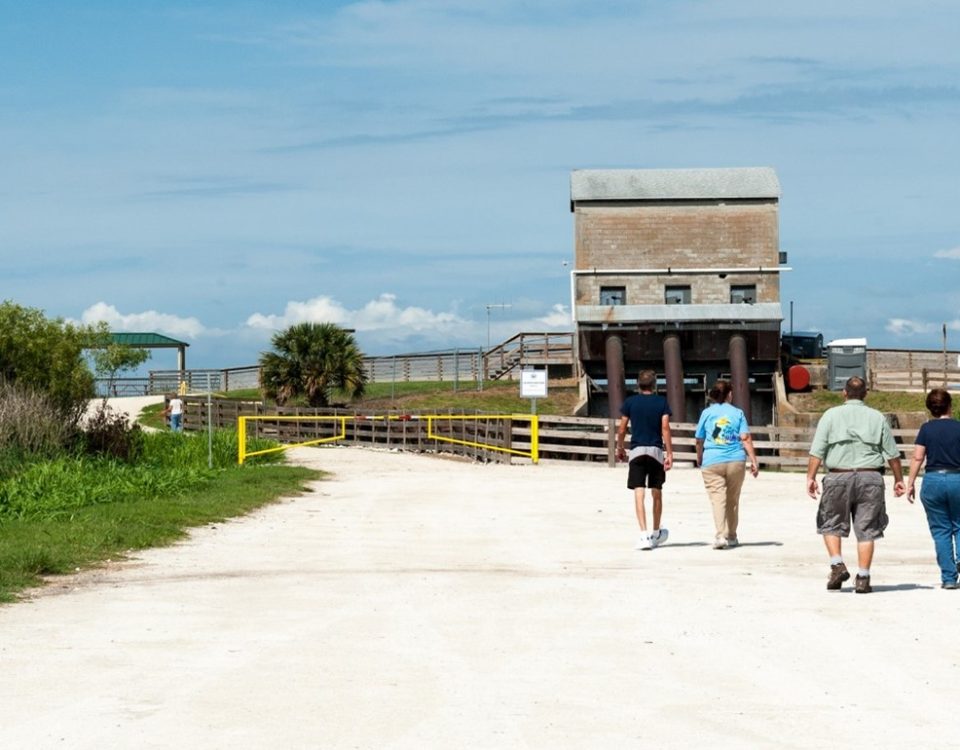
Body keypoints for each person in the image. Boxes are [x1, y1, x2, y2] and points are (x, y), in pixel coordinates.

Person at [806, 376, 905, 594]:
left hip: (837, 476)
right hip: (870, 477)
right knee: (867, 529)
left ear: (844, 392)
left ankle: (837, 564)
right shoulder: (877, 417)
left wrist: (810, 477)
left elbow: (817, 450)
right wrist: (899, 480)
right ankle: (863, 578)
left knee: (831, 522)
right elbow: (892, 454)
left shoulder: (830, 415)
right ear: (866, 394)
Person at [905, 388, 960, 589]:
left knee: (941, 530)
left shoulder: (926, 429)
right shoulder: (958, 427)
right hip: (957, 477)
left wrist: (910, 482)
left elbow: (918, 456)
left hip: (933, 479)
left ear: (930, 409)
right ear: (950, 406)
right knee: (959, 525)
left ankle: (948, 578)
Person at [694, 380, 759, 550]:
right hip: (736, 460)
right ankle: (732, 536)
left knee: (718, 499)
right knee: (733, 499)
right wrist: (753, 460)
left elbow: (699, 439)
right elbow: (745, 438)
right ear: (730, 394)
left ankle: (720, 535)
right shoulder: (738, 413)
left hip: (712, 460)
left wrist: (699, 457)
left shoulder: (707, 413)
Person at [616, 369, 673, 550]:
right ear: (654, 385)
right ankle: (656, 533)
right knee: (656, 492)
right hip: (655, 451)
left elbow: (622, 428)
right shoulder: (661, 402)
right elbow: (665, 427)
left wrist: (620, 447)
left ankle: (643, 535)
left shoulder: (630, 402)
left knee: (638, 492)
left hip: (637, 450)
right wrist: (670, 453)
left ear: (638, 384)